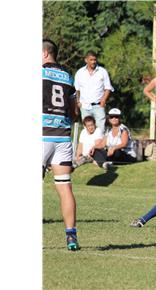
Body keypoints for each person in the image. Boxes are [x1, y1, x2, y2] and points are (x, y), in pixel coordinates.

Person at [42, 39, 80, 251]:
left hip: (41, 136)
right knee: (65, 187)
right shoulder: (68, 77)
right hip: (63, 138)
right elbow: (75, 114)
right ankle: (71, 237)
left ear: (45, 53)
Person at [74, 50, 114, 133]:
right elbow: (77, 89)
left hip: (98, 106)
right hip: (84, 107)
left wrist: (103, 100)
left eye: (95, 60)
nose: (93, 62)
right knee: (87, 131)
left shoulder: (102, 71)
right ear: (86, 60)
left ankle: (99, 146)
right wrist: (78, 102)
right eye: (91, 60)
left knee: (100, 131)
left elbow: (108, 88)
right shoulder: (79, 72)